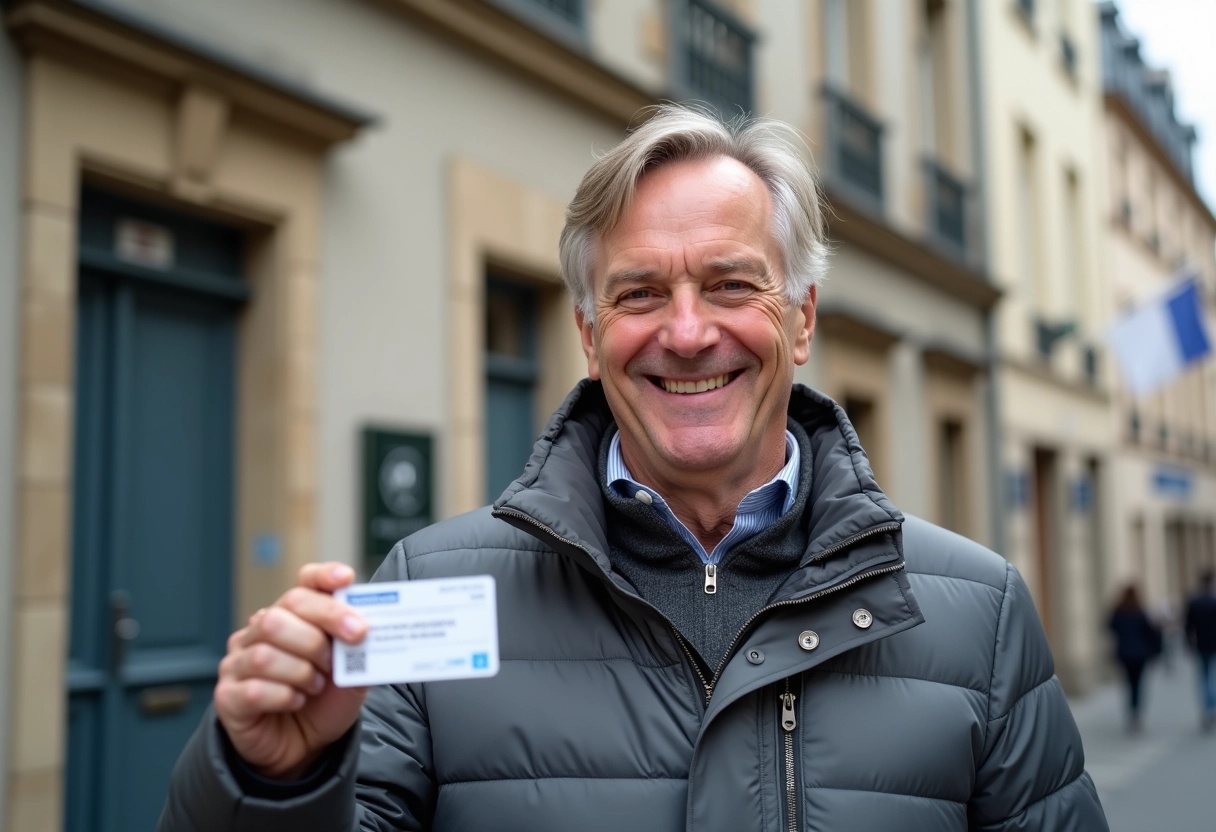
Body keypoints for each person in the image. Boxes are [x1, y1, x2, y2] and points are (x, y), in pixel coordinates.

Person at [157, 105, 1107, 831]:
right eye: (640, 293)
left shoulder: (978, 617)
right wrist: (269, 780)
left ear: (804, 319)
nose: (687, 333)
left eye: (733, 284)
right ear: (588, 332)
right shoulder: (431, 590)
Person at [1108, 584, 1161, 732]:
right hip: (1140, 654)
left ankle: (1131, 710)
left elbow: (1110, 626)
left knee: (1129, 683)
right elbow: (1150, 631)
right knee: (1138, 683)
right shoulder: (1140, 611)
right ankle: (1136, 711)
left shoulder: (1118, 611)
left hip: (1125, 653)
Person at [1184, 570, 1216, 731]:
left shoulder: (1194, 601)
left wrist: (1188, 644)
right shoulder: (1213, 600)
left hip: (1201, 644)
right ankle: (1211, 706)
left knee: (1204, 677)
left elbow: (1188, 626)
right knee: (1212, 677)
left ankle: (1207, 708)